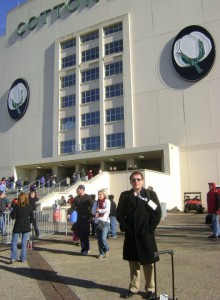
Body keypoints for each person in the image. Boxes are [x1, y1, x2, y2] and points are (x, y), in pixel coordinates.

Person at [116, 171, 161, 299]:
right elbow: (119, 214)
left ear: (143, 181)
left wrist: (150, 228)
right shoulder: (125, 195)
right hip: (131, 235)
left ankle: (150, 289)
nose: (136, 182)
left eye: (138, 179)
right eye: (133, 180)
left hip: (146, 234)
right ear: (130, 181)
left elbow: (157, 213)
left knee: (148, 263)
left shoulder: (150, 195)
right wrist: (124, 227)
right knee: (133, 263)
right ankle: (133, 288)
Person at [10, 192, 34, 263]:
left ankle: (13, 257)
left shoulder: (16, 206)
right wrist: (28, 222)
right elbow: (32, 217)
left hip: (18, 225)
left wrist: (12, 210)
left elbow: (13, 217)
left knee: (14, 241)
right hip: (26, 225)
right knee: (24, 242)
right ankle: (23, 258)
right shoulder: (29, 206)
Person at [70, 185, 93, 255]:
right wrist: (69, 213)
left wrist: (92, 215)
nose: (78, 190)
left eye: (79, 189)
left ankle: (87, 248)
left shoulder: (88, 197)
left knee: (85, 234)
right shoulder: (76, 198)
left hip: (86, 218)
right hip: (79, 218)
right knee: (80, 234)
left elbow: (92, 206)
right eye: (78, 189)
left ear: (83, 189)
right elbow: (73, 207)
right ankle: (83, 248)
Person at [92, 189, 110, 259]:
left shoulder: (107, 201)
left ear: (104, 195)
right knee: (99, 239)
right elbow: (93, 211)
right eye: (98, 194)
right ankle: (101, 253)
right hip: (97, 221)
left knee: (103, 238)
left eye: (100, 194)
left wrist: (99, 210)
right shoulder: (96, 203)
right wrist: (95, 211)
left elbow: (107, 209)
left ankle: (107, 249)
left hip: (105, 222)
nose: (99, 196)